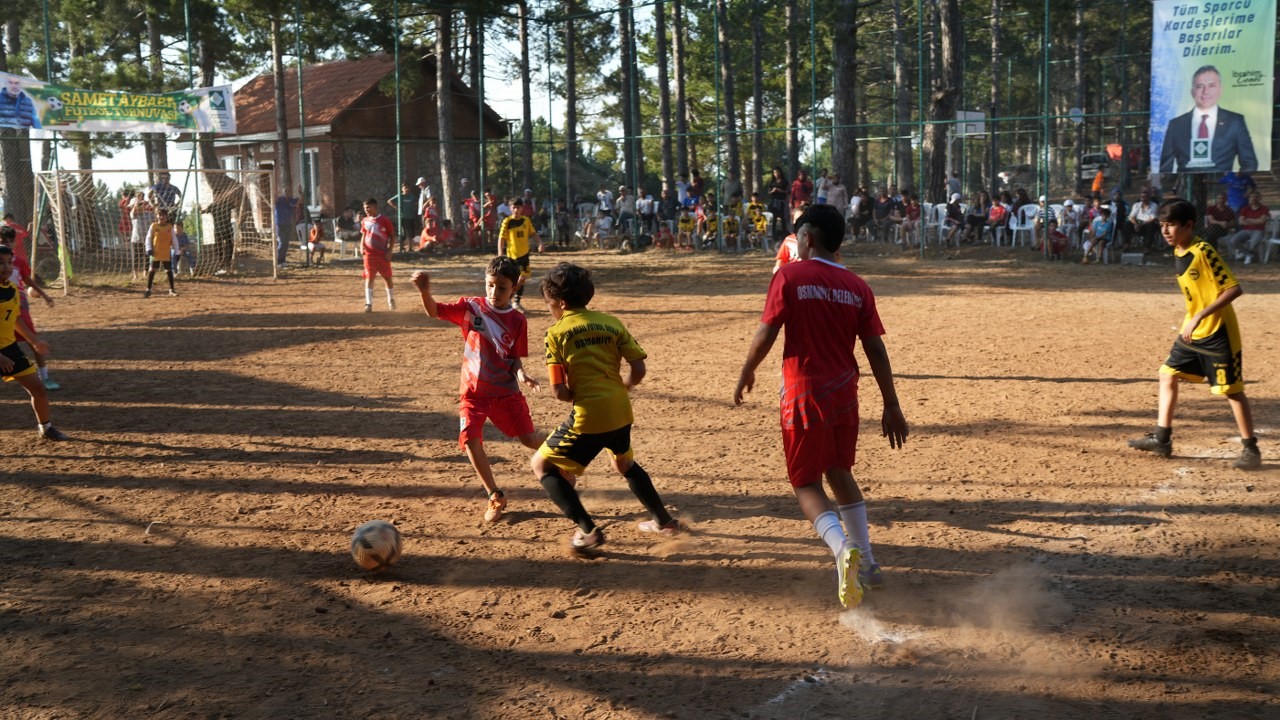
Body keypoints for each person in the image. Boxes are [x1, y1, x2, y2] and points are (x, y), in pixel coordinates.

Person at [734, 204, 908, 609]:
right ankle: (868, 562)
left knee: (805, 482)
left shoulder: (790, 276)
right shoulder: (859, 286)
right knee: (839, 470)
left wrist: (746, 370)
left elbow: (767, 330)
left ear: (807, 237)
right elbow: (876, 349)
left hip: (802, 392)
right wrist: (892, 405)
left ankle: (842, 549)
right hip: (845, 392)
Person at [530, 261, 680, 551]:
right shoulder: (611, 322)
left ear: (560, 303)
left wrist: (578, 394)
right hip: (621, 408)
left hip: (590, 415)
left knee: (541, 464)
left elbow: (559, 391)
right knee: (624, 462)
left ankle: (588, 532)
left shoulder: (556, 333)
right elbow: (638, 369)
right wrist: (623, 386)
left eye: (549, 304)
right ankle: (664, 521)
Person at [1128, 199, 1260, 471]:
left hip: (1218, 333)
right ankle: (1162, 438)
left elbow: (1234, 289)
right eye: (1162, 225)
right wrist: (1194, 317)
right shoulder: (1179, 250)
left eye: (1171, 225)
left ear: (1189, 225)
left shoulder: (1203, 251)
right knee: (1167, 374)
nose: (1165, 231)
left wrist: (1200, 315)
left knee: (1231, 391)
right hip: (1193, 331)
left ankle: (1251, 449)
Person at [411, 258, 545, 522]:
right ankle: (494, 495)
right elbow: (434, 310)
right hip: (472, 393)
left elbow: (515, 356)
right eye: (490, 285)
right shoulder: (471, 307)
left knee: (529, 440)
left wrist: (521, 374)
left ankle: (561, 456)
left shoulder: (518, 320)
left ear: (514, 288)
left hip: (505, 393)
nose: (494, 292)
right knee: (470, 438)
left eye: (502, 287)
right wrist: (424, 291)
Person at [0, 247, 67, 440]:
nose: (6, 267)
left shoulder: (11, 289)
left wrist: (34, 341)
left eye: (9, 262)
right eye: (0, 262)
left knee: (38, 389)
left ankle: (46, 427)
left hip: (9, 348)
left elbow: (15, 319)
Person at [1159, 65, 1258, 174]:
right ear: (1192, 91)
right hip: (1187, 188)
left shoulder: (1235, 122)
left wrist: (1235, 186)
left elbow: (1250, 163)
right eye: (1200, 86)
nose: (1206, 91)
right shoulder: (1175, 125)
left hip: (1222, 188)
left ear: (1220, 89)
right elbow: (1165, 167)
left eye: (1211, 85)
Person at [0, 225, 57, 390]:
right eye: (4, 241)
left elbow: (28, 281)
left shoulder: (19, 262)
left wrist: (45, 295)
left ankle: (44, 377)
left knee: (33, 339)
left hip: (18, 307)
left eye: (11, 241)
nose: (8, 244)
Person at [497, 198, 540, 311]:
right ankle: (508, 301)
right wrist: (500, 253)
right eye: (514, 207)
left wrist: (540, 243)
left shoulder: (526, 221)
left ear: (522, 208)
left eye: (518, 207)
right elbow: (501, 238)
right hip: (512, 256)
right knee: (513, 280)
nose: (516, 210)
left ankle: (516, 302)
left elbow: (533, 233)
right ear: (510, 208)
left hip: (524, 255)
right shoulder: (507, 221)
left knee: (522, 279)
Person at [359, 197, 396, 313]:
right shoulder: (365, 220)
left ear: (375, 207)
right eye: (365, 208)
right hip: (369, 255)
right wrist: (361, 246)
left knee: (387, 277)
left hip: (382, 255)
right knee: (369, 277)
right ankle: (368, 303)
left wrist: (389, 251)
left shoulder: (384, 220)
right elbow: (364, 234)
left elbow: (392, 236)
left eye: (368, 207)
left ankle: (391, 300)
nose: (366, 210)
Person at [1224, 191, 1269, 265]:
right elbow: (1241, 222)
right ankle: (1248, 254)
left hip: (1258, 230)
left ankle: (1247, 255)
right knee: (1233, 241)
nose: (1253, 198)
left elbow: (1262, 221)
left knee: (1254, 242)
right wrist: (1256, 220)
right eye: (1252, 197)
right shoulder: (1245, 209)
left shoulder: (1264, 209)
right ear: (1249, 198)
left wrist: (1248, 220)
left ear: (1259, 198)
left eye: (1255, 197)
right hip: (1246, 230)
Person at [143, 208, 179, 298]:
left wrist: (177, 252)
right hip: (156, 252)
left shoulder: (170, 227)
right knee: (152, 270)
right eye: (160, 215)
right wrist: (148, 248)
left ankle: (172, 290)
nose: (161, 217)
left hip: (166, 252)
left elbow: (174, 240)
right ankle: (148, 289)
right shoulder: (154, 226)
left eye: (163, 215)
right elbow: (148, 238)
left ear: (167, 217)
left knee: (169, 270)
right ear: (157, 216)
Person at [387, 183, 419, 253]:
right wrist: (396, 207)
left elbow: (416, 201)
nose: (406, 189)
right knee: (402, 233)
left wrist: (414, 208)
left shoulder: (412, 196)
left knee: (411, 233)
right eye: (405, 188)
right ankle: (402, 247)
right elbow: (389, 201)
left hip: (411, 217)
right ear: (402, 189)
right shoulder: (400, 196)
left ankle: (410, 247)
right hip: (403, 217)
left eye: (407, 188)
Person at [272, 189, 297, 268]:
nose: (287, 193)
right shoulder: (280, 200)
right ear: (283, 192)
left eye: (289, 191)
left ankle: (283, 260)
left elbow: (300, 201)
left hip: (287, 224)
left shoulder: (291, 200)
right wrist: (274, 191)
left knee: (286, 243)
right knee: (282, 243)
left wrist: (300, 192)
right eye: (286, 191)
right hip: (279, 224)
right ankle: (278, 260)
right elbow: (273, 199)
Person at [767, 167, 789, 238]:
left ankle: (784, 233)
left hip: (782, 202)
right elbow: (768, 193)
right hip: (774, 202)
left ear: (780, 172)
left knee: (783, 218)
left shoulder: (785, 181)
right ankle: (774, 234)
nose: (776, 174)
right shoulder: (772, 182)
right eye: (774, 172)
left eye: (777, 172)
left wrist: (780, 190)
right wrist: (773, 191)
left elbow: (788, 191)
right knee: (774, 218)